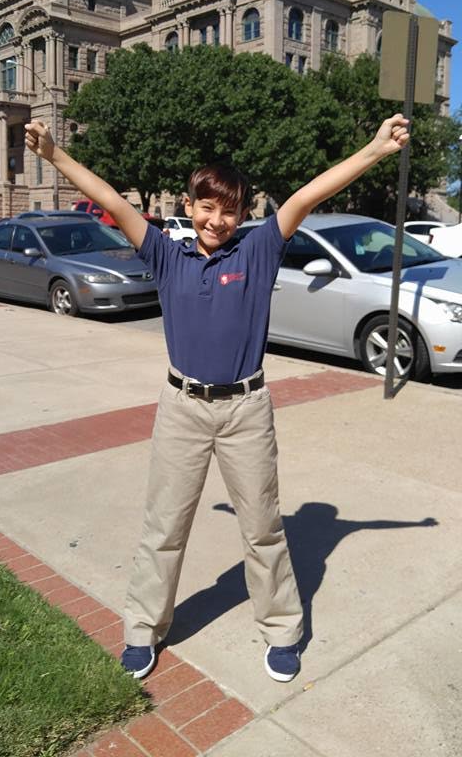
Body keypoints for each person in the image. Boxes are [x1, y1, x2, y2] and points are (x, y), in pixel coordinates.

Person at [25, 113, 409, 683]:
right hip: (182, 406)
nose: (218, 219)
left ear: (242, 214)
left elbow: (307, 195)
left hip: (245, 410)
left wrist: (375, 150)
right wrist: (56, 156)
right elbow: (111, 197)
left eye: (229, 209)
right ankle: (142, 628)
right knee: (165, 526)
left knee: (263, 528)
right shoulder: (165, 254)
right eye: (208, 207)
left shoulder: (257, 252)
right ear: (189, 206)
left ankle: (282, 630)